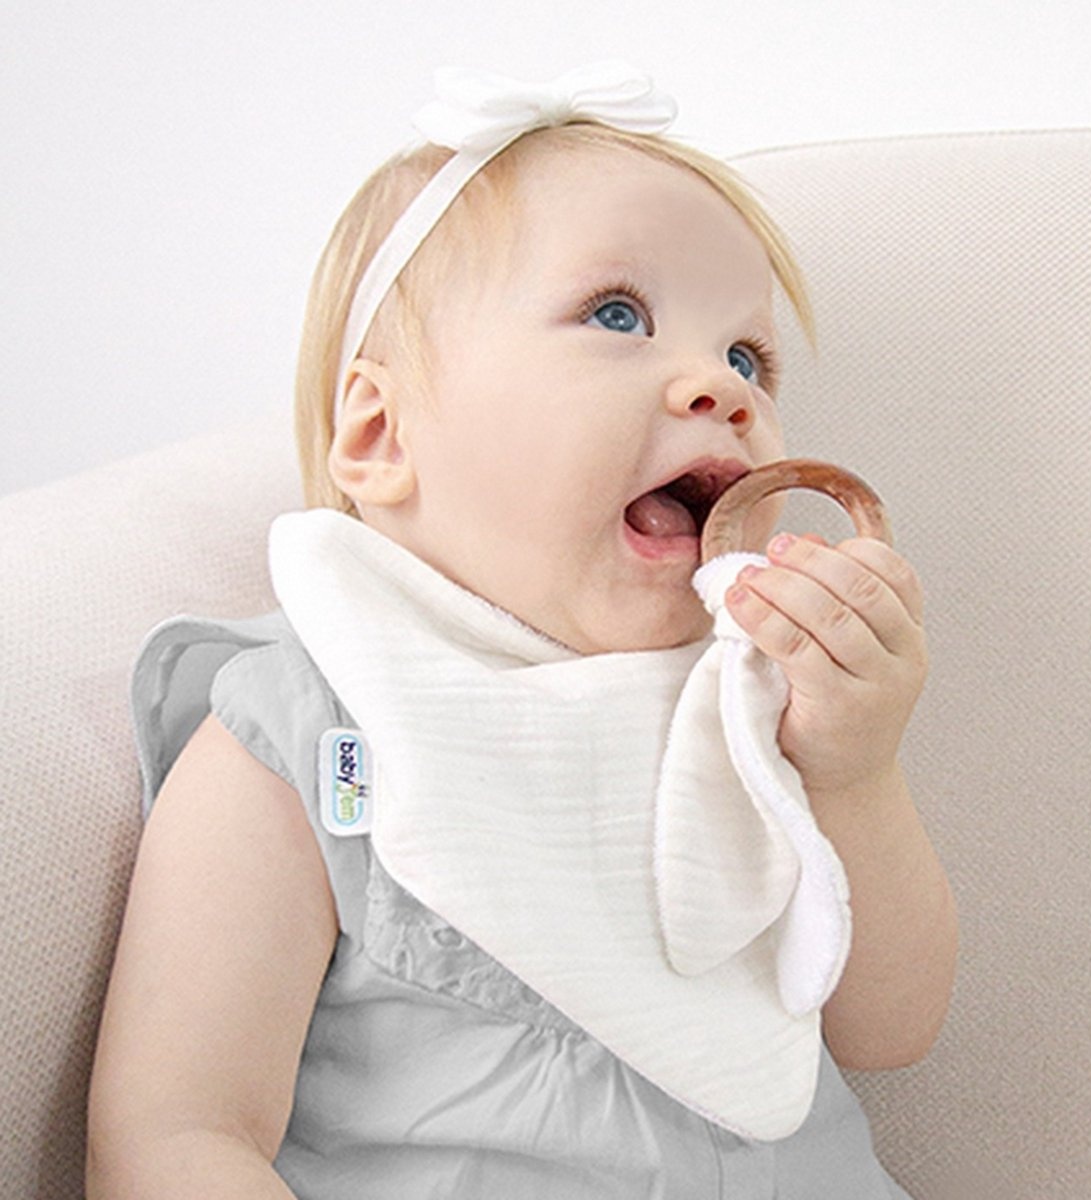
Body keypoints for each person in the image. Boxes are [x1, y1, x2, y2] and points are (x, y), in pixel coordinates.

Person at [86, 63, 957, 1199]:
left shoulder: (754, 711)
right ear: (382, 435)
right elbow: (175, 1137)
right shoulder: (314, 737)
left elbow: (889, 1029)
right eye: (617, 315)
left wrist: (856, 770)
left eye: (749, 358)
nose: (722, 387)